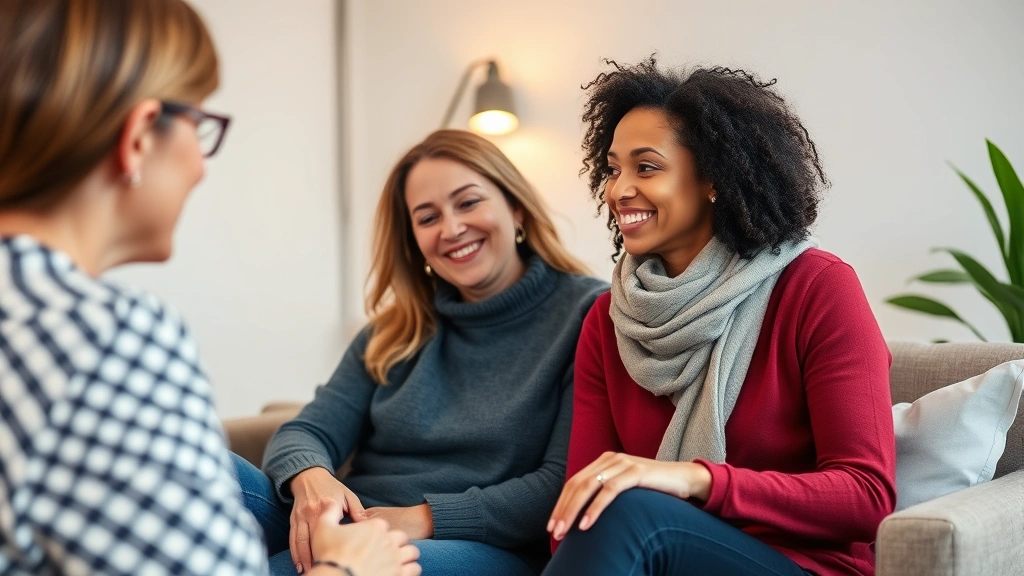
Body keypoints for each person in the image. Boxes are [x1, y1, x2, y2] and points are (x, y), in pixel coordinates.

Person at [0, 1, 419, 575]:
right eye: (199, 126)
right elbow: (306, 430)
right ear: (140, 135)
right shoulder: (108, 336)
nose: (200, 164)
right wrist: (348, 568)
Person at [543, 58, 896, 576]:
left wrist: (695, 480)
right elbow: (576, 512)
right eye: (613, 169)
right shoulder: (607, 319)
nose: (618, 190)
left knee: (632, 509)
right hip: (653, 557)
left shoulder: (818, 288)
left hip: (802, 565)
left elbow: (866, 496)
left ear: (712, 178)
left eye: (646, 168)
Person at [232, 129, 608, 575]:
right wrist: (311, 479)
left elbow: (560, 482)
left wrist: (421, 519)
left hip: (477, 546)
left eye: (468, 202)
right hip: (356, 523)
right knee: (203, 465)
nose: (451, 229)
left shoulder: (587, 314)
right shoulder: (394, 330)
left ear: (516, 207)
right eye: (428, 218)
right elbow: (306, 431)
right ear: (414, 239)